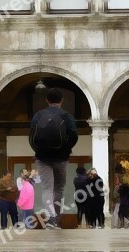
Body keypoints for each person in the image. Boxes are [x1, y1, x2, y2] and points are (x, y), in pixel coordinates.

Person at [29, 87, 78, 229]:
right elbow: (74, 135)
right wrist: (66, 149)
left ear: (46, 100)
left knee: (47, 188)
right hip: (61, 158)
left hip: (43, 157)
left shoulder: (38, 115)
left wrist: (38, 150)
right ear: (61, 100)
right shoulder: (66, 115)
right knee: (59, 188)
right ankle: (55, 218)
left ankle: (50, 219)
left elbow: (31, 136)